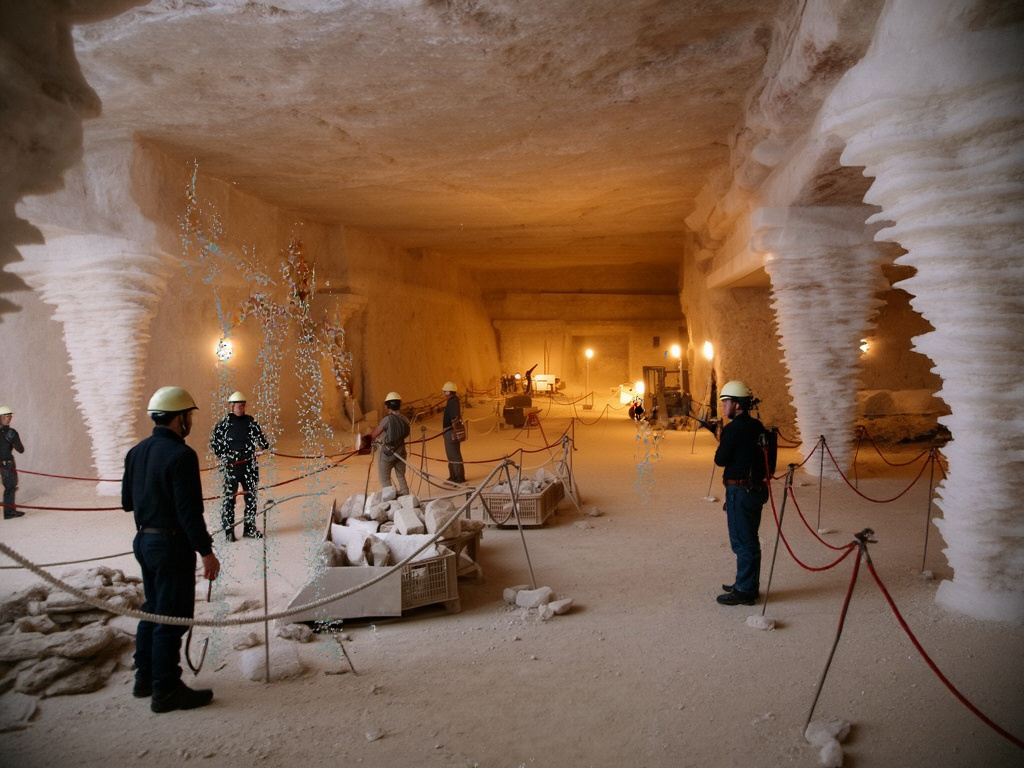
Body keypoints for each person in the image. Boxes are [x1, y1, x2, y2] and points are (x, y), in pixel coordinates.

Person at [122, 386, 221, 713]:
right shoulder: (182, 455)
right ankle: (166, 690)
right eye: (188, 415)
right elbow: (189, 512)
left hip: (144, 541)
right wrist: (206, 552)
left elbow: (126, 503)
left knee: (152, 608)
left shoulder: (136, 452)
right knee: (172, 616)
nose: (189, 421)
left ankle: (145, 677)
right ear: (179, 419)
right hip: (171, 544)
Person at [713, 380, 768, 607]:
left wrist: (721, 436)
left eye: (726, 401)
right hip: (755, 488)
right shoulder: (757, 426)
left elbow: (720, 459)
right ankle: (748, 585)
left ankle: (744, 590)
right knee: (751, 539)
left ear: (737, 405)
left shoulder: (733, 428)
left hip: (739, 490)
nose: (724, 406)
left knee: (742, 542)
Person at [210, 391, 270, 541]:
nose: (241, 408)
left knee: (251, 498)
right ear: (231, 406)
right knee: (229, 500)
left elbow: (261, 440)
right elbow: (215, 444)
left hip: (249, 466)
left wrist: (265, 444)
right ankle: (229, 531)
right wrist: (226, 456)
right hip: (231, 467)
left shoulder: (250, 422)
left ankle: (249, 529)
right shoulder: (224, 424)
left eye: (243, 405)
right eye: (238, 405)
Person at [367, 391, 411, 496]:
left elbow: (373, 435)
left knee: (384, 477)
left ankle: (389, 497)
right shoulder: (405, 419)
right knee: (401, 475)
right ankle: (405, 494)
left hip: (387, 453)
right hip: (401, 452)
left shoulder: (387, 420)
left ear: (387, 406)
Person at [0, 406, 25, 519]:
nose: (8, 418)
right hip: (7, 462)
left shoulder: (11, 432)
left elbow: (20, 449)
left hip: (6, 462)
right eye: (6, 416)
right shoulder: (11, 432)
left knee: (10, 486)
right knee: (10, 486)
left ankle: (9, 511)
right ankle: (9, 512)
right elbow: (20, 449)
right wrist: (13, 441)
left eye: (9, 416)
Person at [441, 381, 466, 484]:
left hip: (450, 432)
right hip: (450, 431)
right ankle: (453, 476)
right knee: (452, 454)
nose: (444, 394)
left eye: (444, 392)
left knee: (454, 454)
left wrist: (453, 428)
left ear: (448, 392)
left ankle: (458, 477)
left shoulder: (453, 402)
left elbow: (454, 417)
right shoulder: (453, 401)